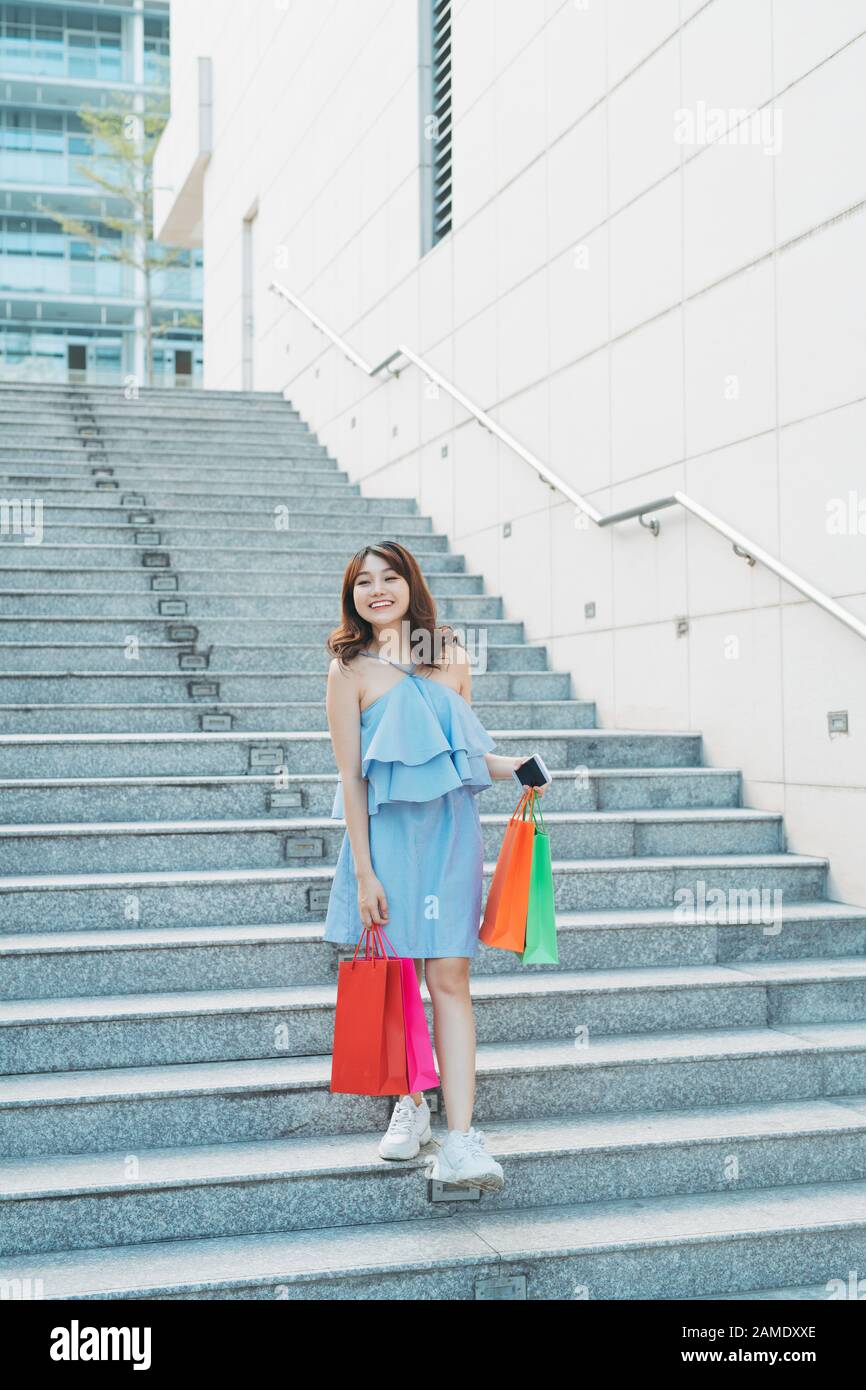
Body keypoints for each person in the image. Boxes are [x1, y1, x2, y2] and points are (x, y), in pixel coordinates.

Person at [323, 539, 547, 1192]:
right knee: (395, 979)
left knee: (449, 976)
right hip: (388, 840)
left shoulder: (447, 657)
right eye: (364, 582)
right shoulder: (348, 670)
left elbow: (466, 755)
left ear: (410, 585)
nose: (378, 589)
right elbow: (350, 778)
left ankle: (462, 1138)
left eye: (390, 577)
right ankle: (412, 1105)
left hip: (450, 834)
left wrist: (517, 767)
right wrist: (365, 873)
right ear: (353, 597)